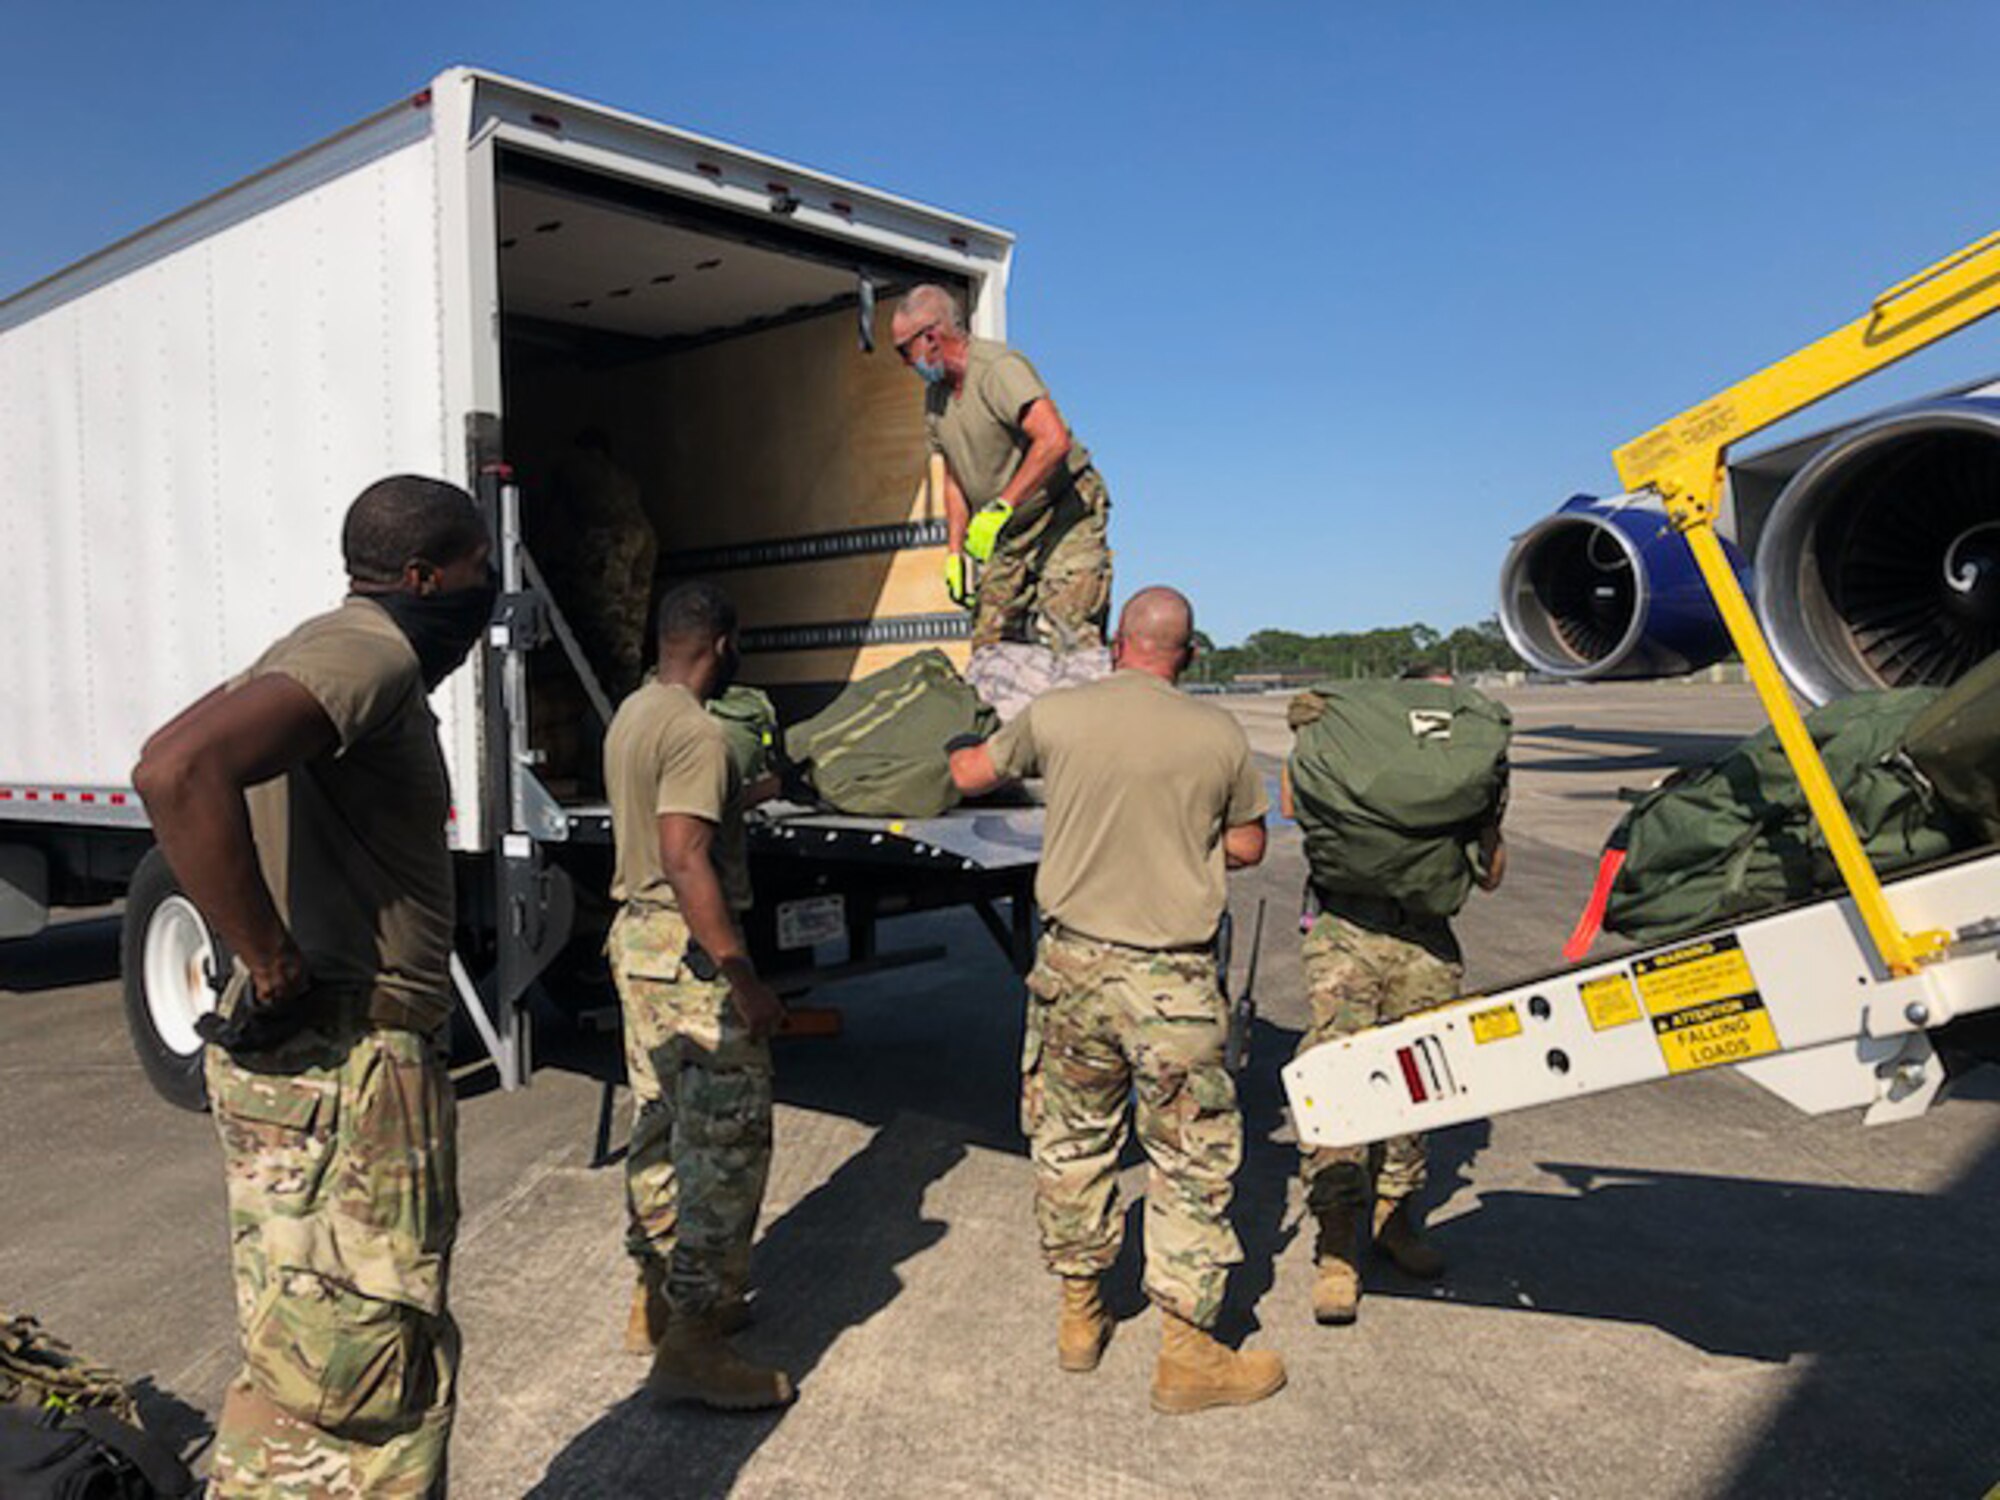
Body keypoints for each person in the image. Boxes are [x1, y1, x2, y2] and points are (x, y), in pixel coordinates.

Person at [132, 475, 495, 1496]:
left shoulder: (317, 642)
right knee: (369, 1387)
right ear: (422, 575)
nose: (487, 592)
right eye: (477, 572)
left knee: (315, 1366)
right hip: (354, 1063)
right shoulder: (370, 650)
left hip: (327, 1070)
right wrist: (270, 959)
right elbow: (175, 768)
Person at [948, 587, 1285, 1414]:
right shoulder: (1218, 734)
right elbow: (1247, 843)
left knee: (1073, 1141)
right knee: (1188, 1159)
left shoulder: (1060, 715)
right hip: (1171, 980)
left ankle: (1080, 1317)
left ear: (1115, 643)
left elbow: (969, 774)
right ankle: (1186, 1353)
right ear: (1188, 653)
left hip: (1071, 970)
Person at [602, 580, 795, 1411]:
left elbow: (669, 814)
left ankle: (656, 1299)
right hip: (690, 958)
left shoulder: (637, 712)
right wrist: (740, 974)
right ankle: (695, 1342)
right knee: (723, 1150)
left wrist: (749, 798)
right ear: (722, 644)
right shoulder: (701, 733)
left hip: (638, 945)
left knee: (657, 1125)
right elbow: (685, 855)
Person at [1281, 661, 1508, 1326]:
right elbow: (1300, 810)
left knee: (1419, 1086)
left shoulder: (1463, 779)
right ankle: (1337, 1245)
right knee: (1340, 1084)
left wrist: (1490, 807)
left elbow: (1489, 874)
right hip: (1347, 933)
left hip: (1424, 939)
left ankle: (1394, 1218)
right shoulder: (1353, 756)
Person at [891, 284, 1112, 653]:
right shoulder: (936, 397)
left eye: (904, 350)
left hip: (1064, 513)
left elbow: (1052, 440)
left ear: (930, 337)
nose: (904, 362)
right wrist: (955, 552)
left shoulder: (997, 370)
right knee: (990, 646)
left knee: (1069, 636)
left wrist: (1001, 507)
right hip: (1011, 532)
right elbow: (954, 478)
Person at [549, 428, 658, 700]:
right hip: (640, 539)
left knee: (603, 625)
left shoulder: (576, 467)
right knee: (629, 628)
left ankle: (611, 693)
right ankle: (628, 688)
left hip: (609, 545)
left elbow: (555, 517)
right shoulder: (621, 478)